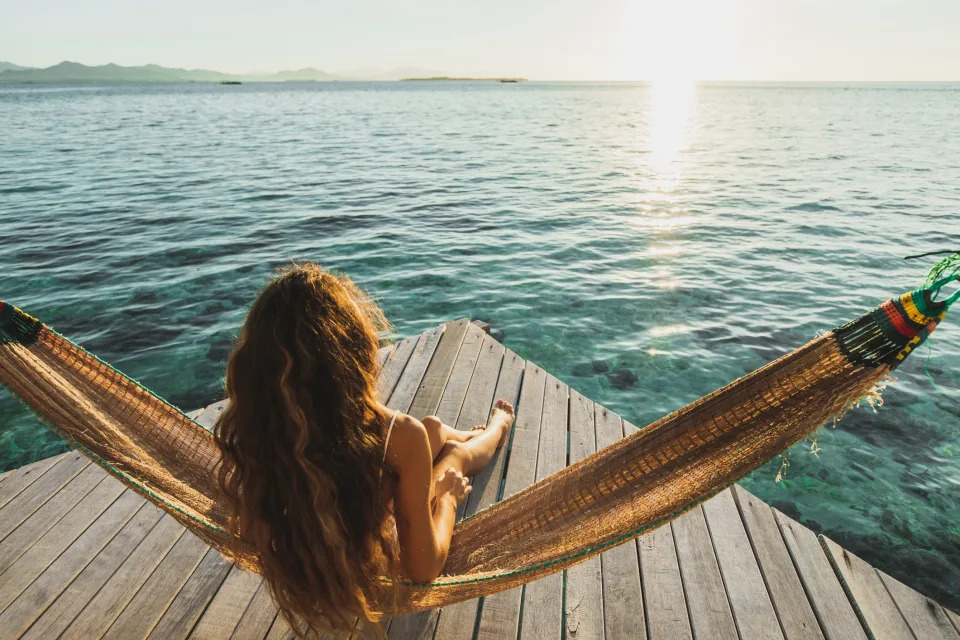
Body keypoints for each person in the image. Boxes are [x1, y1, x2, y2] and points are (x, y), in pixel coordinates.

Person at [213, 263, 515, 634]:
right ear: (352, 355)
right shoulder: (398, 435)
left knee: (431, 430)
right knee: (451, 457)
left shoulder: (256, 436)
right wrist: (449, 498)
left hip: (351, 498)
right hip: (364, 535)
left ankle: (464, 432)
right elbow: (424, 569)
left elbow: (253, 523)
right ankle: (497, 428)